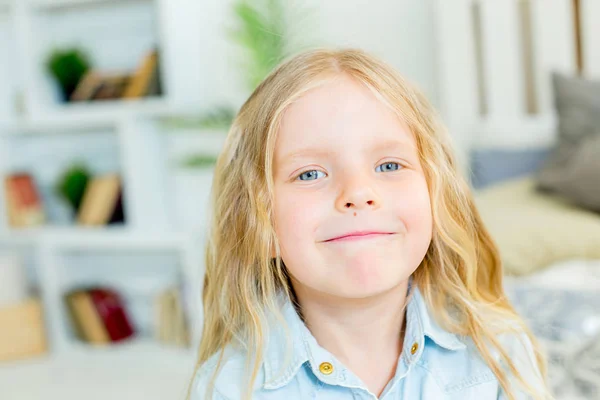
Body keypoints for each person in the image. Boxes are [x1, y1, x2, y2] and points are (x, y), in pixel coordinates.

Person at [189, 48, 551, 400]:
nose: (358, 193)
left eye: (389, 166)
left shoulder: (498, 353)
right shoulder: (229, 388)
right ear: (258, 223)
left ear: (436, 199)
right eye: (310, 173)